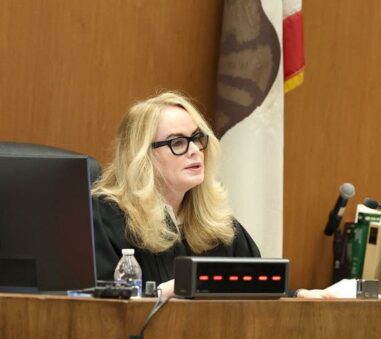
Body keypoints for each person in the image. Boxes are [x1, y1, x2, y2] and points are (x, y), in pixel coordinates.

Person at [92, 92, 260, 287]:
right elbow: (98, 307)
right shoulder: (105, 219)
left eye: (197, 138)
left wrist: (296, 294)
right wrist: (161, 294)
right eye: (177, 142)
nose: (195, 150)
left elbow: (259, 291)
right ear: (142, 156)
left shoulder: (217, 225)